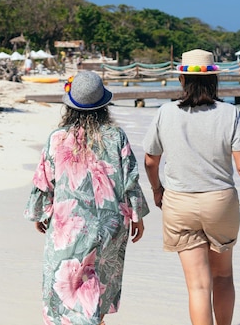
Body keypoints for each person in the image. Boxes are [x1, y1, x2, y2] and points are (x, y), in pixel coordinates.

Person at [142, 49, 240, 325]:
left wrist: (157, 190)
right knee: (223, 276)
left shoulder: (165, 113)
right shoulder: (229, 113)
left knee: (198, 286)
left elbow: (150, 161)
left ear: (182, 80)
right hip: (220, 203)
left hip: (179, 203)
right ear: (214, 80)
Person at [25, 71, 150, 325]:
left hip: (68, 228)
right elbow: (130, 179)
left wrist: (40, 212)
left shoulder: (57, 138)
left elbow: (45, 181)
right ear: (104, 105)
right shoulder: (116, 136)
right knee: (97, 292)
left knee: (65, 294)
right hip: (109, 228)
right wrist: (137, 216)